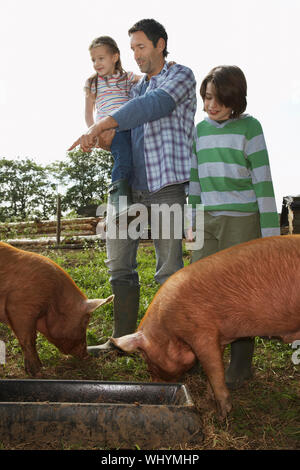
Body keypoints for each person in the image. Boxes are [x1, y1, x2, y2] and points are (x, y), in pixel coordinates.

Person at [69, 18, 197, 353]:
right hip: (129, 187)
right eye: (132, 49)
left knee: (168, 268)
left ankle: (167, 342)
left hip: (167, 185)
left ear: (160, 44)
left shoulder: (180, 75)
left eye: (141, 47)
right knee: (119, 262)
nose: (136, 55)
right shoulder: (134, 88)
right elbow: (126, 126)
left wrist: (103, 123)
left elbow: (154, 106)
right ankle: (122, 339)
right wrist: (106, 137)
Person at [187, 65, 280, 389]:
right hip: (208, 219)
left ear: (235, 100)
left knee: (239, 295)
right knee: (198, 289)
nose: (211, 106)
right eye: (207, 98)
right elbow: (195, 181)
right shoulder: (199, 130)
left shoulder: (250, 128)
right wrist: (192, 221)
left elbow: (264, 184)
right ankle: (199, 356)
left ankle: (241, 366)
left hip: (242, 221)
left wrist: (271, 239)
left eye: (218, 100)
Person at [84, 36, 141, 218]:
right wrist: (95, 132)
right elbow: (88, 113)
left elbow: (149, 78)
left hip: (130, 127)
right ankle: (119, 203)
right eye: (94, 59)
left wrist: (167, 68)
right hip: (110, 130)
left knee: (132, 161)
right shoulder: (93, 83)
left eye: (101, 58)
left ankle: (132, 198)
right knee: (123, 158)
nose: (96, 63)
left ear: (115, 57)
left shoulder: (126, 77)